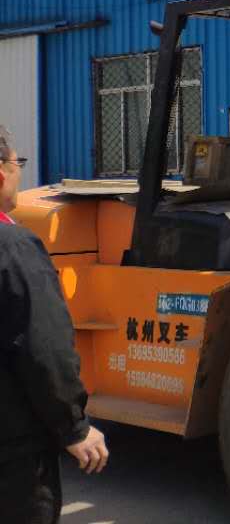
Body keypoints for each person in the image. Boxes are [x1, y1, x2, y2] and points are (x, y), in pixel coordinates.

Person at [0, 126, 109, 523]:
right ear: (0, 174)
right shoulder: (14, 249)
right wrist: (74, 426)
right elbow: (44, 347)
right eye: (18, 164)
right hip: (13, 461)